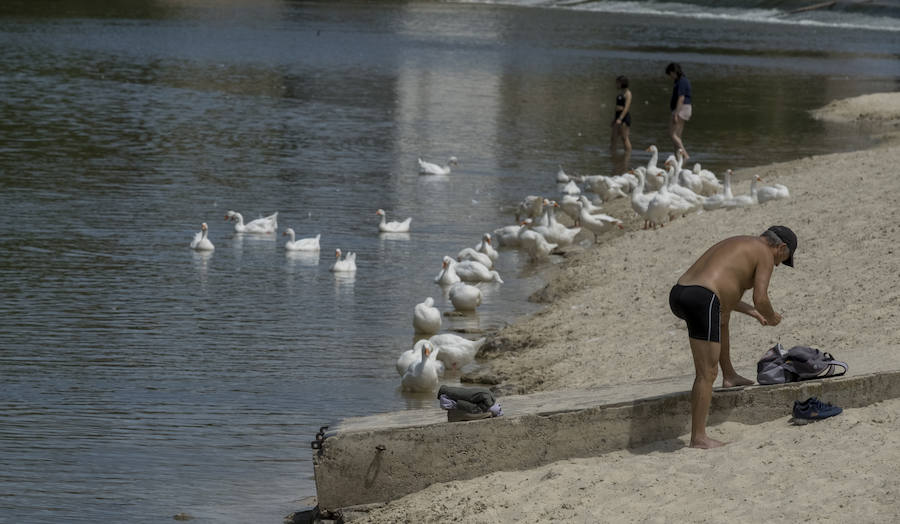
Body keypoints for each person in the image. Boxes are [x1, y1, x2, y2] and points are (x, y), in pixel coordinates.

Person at [669, 226, 798, 449]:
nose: (777, 264)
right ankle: (698, 438)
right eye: (782, 259)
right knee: (707, 373)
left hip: (681, 293)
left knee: (723, 315)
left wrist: (752, 311)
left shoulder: (741, 242)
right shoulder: (765, 253)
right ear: (781, 247)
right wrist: (771, 316)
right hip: (703, 297)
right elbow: (761, 298)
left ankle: (729, 375)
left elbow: (722, 289)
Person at [665, 62, 692, 160]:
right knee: (677, 137)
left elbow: (681, 98)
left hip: (681, 108)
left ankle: (685, 155)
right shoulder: (683, 80)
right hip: (685, 108)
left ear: (673, 72)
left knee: (672, 135)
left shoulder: (681, 81)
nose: (670, 77)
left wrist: (676, 114)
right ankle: (678, 158)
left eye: (670, 74)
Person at [610, 75, 632, 152]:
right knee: (613, 138)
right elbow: (617, 107)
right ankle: (612, 153)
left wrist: (620, 118)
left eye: (618, 83)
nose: (616, 85)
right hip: (617, 117)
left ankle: (628, 154)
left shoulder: (628, 93)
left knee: (624, 138)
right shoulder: (620, 92)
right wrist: (614, 119)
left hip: (624, 118)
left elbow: (626, 108)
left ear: (622, 83)